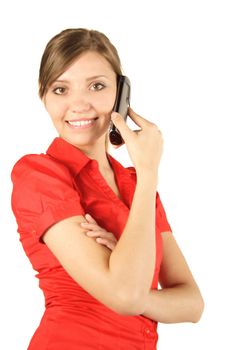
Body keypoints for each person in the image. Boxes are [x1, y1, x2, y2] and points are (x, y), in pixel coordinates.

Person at [11, 28, 204, 350]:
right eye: (60, 89)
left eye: (97, 86)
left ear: (121, 93)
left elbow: (192, 303)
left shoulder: (138, 185)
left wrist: (125, 265)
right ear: (43, 97)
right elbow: (125, 296)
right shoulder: (40, 175)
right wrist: (149, 170)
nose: (78, 105)